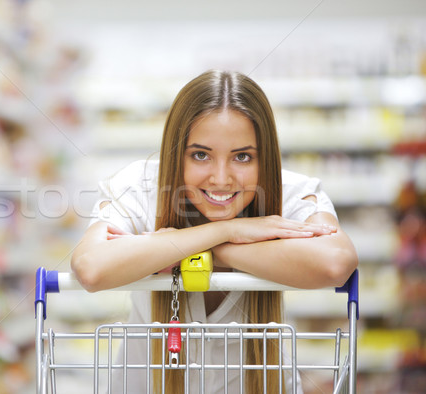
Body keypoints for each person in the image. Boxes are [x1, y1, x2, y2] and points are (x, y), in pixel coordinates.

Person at [71, 70, 358, 393]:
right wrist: (230, 229)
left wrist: (197, 246)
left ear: (265, 160)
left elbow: (335, 262)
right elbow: (91, 268)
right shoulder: (140, 187)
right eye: (201, 154)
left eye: (242, 157)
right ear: (174, 154)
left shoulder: (291, 192)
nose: (221, 178)